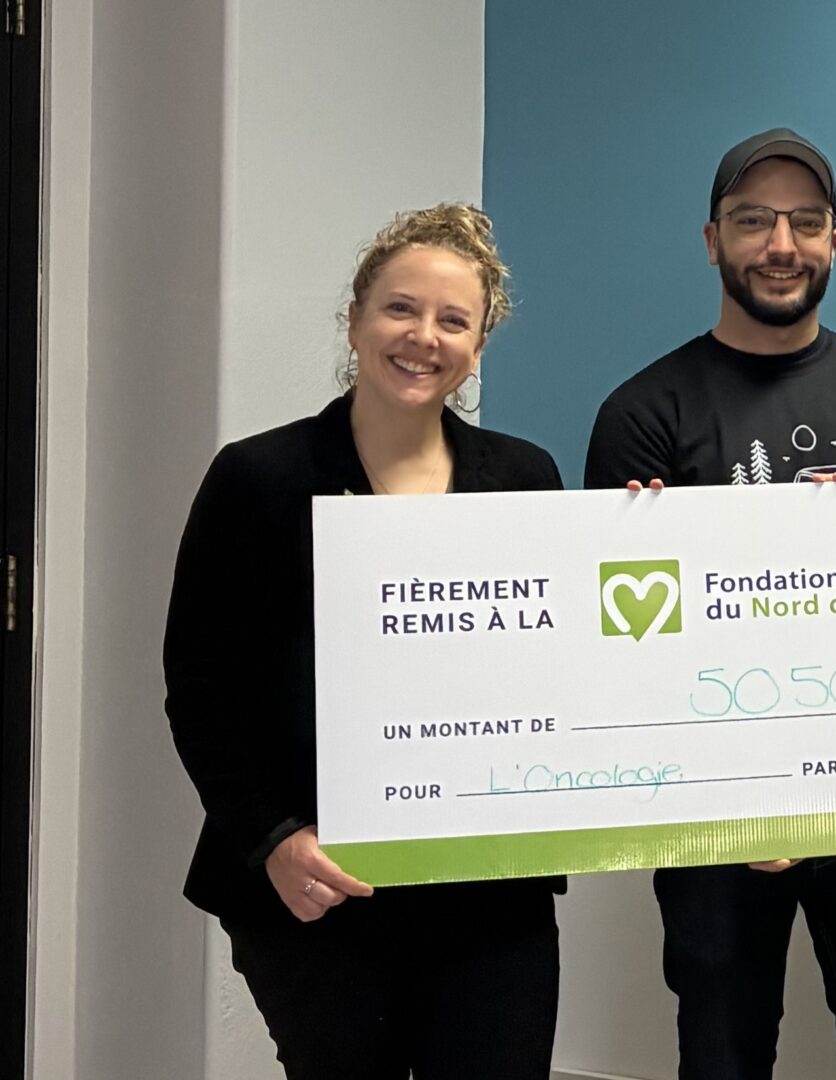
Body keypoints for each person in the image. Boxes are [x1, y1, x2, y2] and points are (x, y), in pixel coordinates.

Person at [164, 204, 566, 1078]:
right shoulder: (256, 479)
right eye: (400, 308)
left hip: (487, 895)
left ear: (479, 344)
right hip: (315, 886)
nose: (424, 336)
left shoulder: (525, 480)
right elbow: (201, 687)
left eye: (453, 320)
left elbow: (556, 665)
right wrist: (272, 838)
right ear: (354, 319)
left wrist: (654, 534)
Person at [583, 128, 836, 1080]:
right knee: (722, 1054)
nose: (779, 243)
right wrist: (646, 555)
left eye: (804, 221)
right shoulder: (641, 413)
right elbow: (625, 648)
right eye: (753, 221)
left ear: (835, 241)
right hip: (719, 821)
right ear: (712, 240)